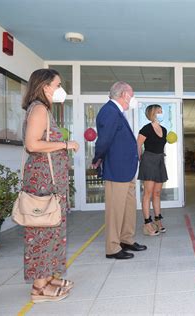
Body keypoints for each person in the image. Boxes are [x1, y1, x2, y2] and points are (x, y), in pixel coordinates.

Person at [22, 68, 80, 302]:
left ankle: (47, 278)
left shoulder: (44, 109)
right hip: (43, 182)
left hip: (52, 182)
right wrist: (65, 145)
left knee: (53, 230)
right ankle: (38, 288)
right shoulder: (38, 109)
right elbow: (32, 145)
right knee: (42, 232)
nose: (59, 89)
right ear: (45, 86)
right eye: (57, 85)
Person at [92, 81, 147, 260]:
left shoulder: (118, 112)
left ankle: (126, 239)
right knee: (115, 210)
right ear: (124, 95)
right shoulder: (109, 111)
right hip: (117, 169)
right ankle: (113, 247)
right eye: (131, 95)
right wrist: (97, 157)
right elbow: (104, 140)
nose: (132, 99)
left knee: (129, 207)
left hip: (127, 169)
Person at [137, 104, 168, 236]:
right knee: (147, 193)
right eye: (158, 111)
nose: (161, 113)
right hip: (148, 161)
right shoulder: (146, 129)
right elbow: (138, 145)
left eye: (162, 111)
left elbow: (161, 147)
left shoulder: (164, 130)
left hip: (160, 161)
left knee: (157, 193)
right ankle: (147, 224)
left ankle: (158, 220)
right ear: (152, 114)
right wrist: (140, 161)